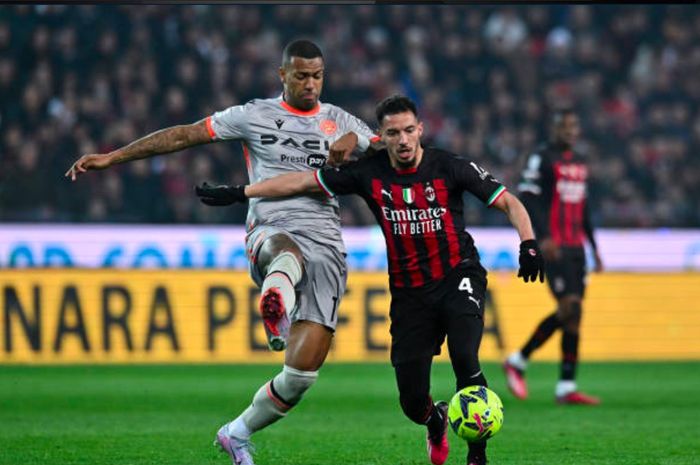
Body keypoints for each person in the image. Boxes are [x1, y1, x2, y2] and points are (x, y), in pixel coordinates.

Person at [65, 39, 379, 465]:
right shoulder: (254, 114)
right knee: (285, 255)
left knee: (301, 376)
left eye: (318, 76)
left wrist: (357, 139)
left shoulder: (338, 119)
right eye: (302, 75)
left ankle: (236, 433)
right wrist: (111, 158)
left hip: (328, 241)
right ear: (282, 75)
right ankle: (276, 305)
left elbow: (393, 149)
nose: (311, 84)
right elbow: (185, 134)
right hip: (272, 225)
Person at [196, 94, 545, 465]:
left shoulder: (450, 167)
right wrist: (241, 192)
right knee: (412, 401)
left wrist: (529, 243)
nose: (404, 140)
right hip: (410, 294)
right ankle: (434, 419)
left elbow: (508, 201)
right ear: (381, 135)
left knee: (464, 354)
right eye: (393, 133)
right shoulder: (369, 173)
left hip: (459, 275)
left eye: (410, 130)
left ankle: (477, 454)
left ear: (420, 130)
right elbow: (300, 182)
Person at [502, 108, 604, 405]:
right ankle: (518, 359)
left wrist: (594, 247)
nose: (571, 131)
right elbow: (529, 197)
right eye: (565, 126)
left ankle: (565, 387)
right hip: (554, 245)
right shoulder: (542, 158)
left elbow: (583, 207)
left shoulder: (580, 163)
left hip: (576, 248)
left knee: (574, 316)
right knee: (569, 306)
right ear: (555, 129)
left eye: (574, 126)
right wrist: (542, 235)